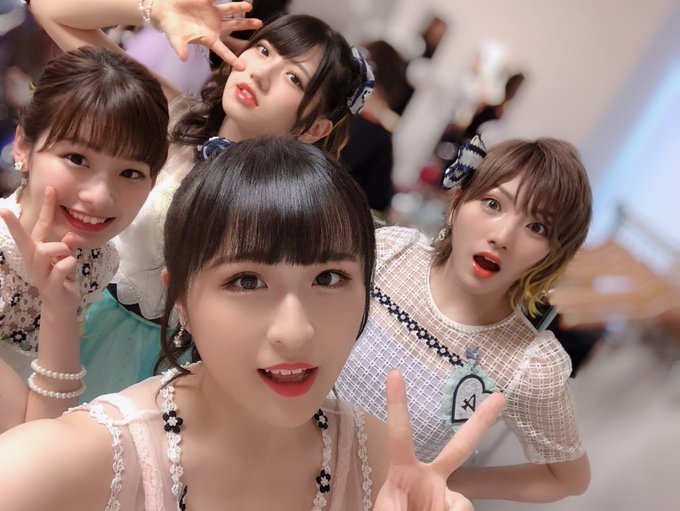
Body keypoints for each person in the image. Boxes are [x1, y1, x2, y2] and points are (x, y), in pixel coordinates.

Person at [0, 136, 504, 510]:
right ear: (181, 300)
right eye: (246, 281)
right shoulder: (78, 464)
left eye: (329, 278)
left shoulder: (379, 461)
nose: (295, 332)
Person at [29, 0, 374, 400]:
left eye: (293, 78)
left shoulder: (282, 210)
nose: (260, 73)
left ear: (315, 129)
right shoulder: (170, 115)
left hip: (165, 367)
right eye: (264, 51)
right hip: (65, 306)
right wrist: (155, 11)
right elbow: (51, 10)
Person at [335, 136, 593, 502]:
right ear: (457, 202)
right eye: (493, 204)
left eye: (537, 227)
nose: (502, 237)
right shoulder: (389, 255)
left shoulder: (529, 366)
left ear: (551, 255)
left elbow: (567, 478)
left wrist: (442, 485)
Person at [0, 46, 169, 432]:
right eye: (77, 159)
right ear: (23, 146)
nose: (100, 197)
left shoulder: (96, 259)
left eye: (130, 173)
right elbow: (33, 438)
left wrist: (59, 308)